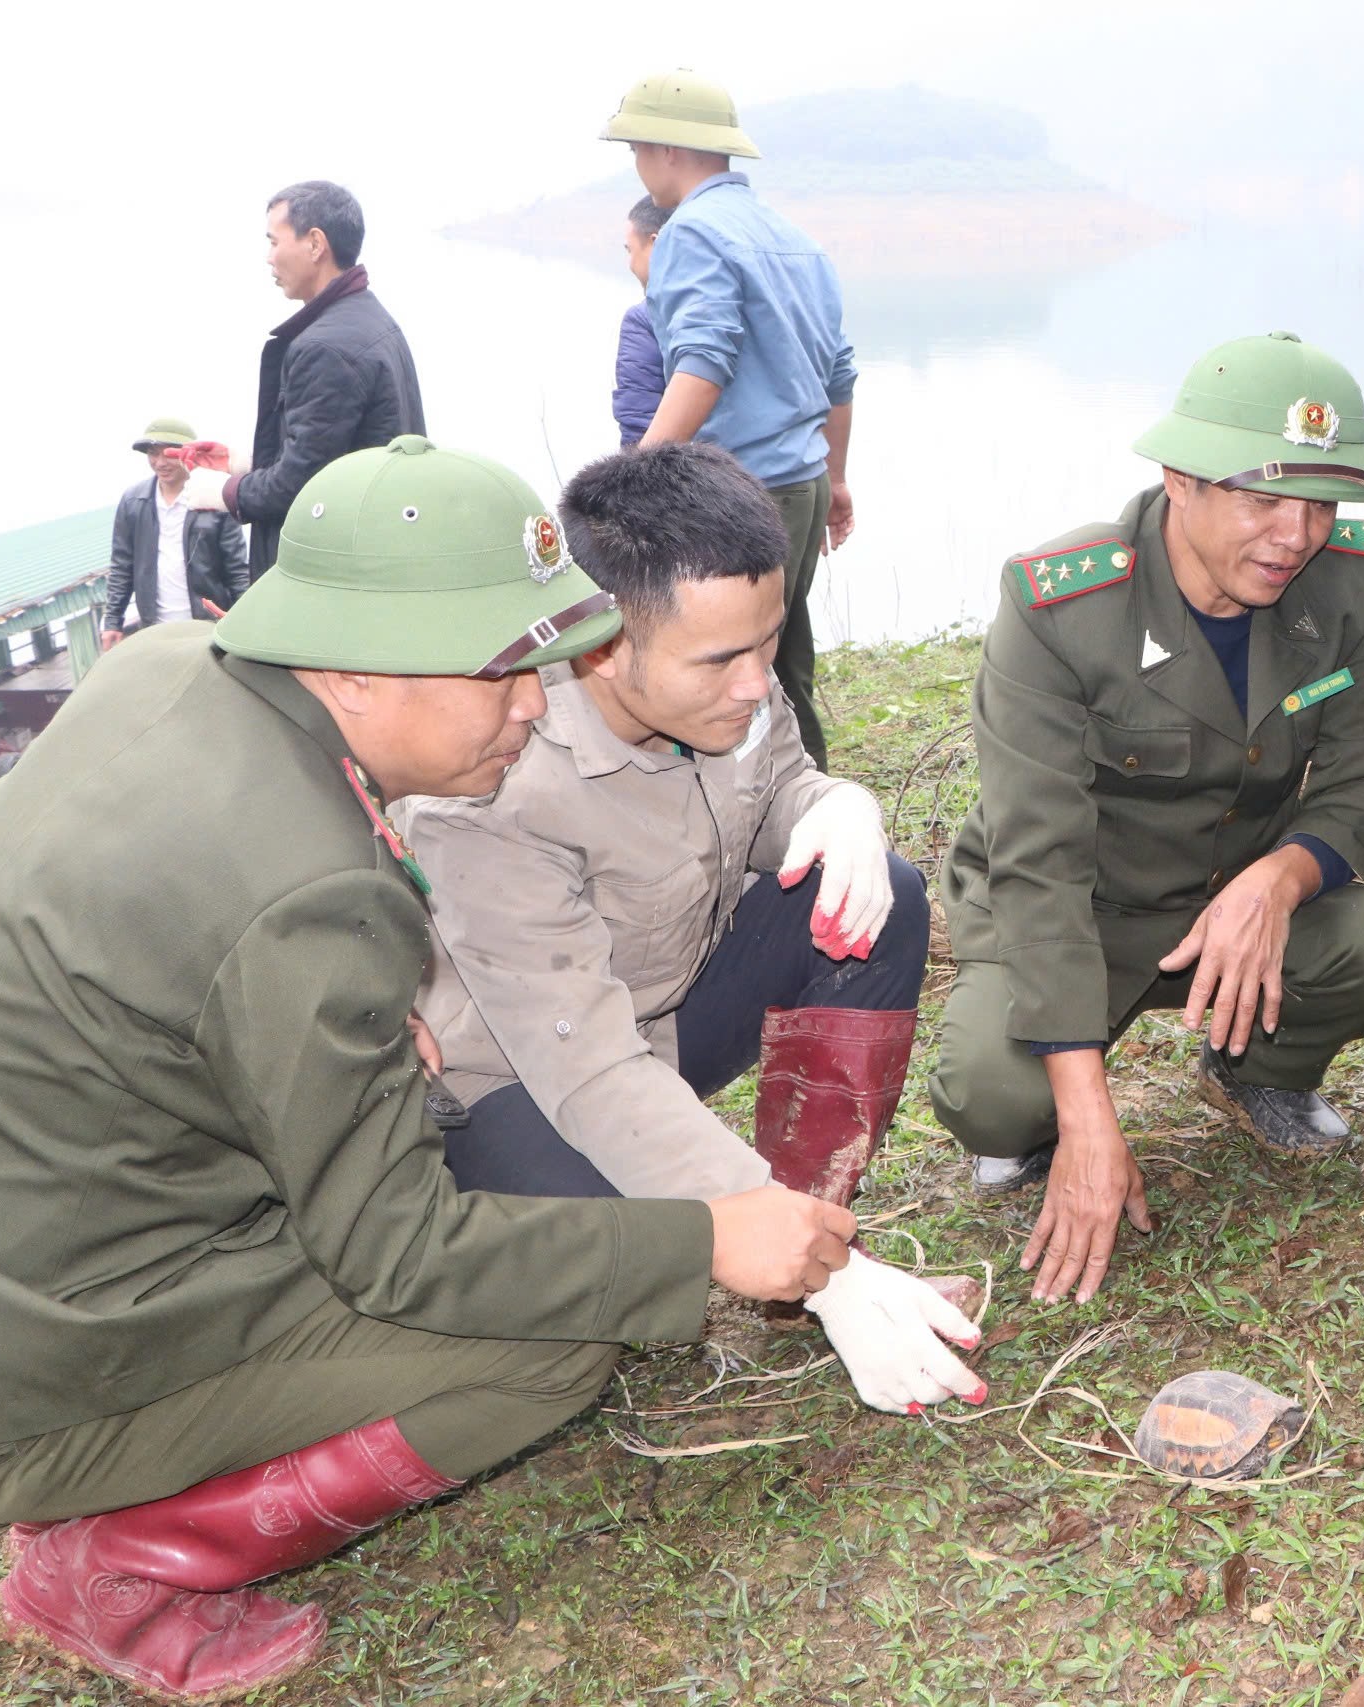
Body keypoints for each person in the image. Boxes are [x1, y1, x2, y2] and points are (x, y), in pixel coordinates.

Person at [0, 437, 859, 1702]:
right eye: (501, 673)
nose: (534, 704)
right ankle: (110, 1559)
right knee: (549, 1342)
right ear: (349, 669)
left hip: (51, 1217)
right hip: (53, 1350)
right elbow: (401, 1257)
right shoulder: (309, 902)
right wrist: (697, 1241)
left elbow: (172, 916)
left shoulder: (176, 665)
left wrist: (348, 994)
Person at [392, 443, 976, 1414]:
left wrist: (836, 806)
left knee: (882, 901)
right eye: (722, 660)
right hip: (522, 1087)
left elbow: (780, 788)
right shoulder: (498, 788)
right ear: (602, 648)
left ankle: (816, 1235)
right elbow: (586, 1069)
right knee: (607, 1291)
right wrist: (786, 1256)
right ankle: (798, 1261)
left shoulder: (726, 682)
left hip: (663, 1024)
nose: (756, 683)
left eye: (768, 644)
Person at [932, 332, 1364, 1306]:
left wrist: (1277, 878)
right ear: (1181, 480)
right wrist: (1087, 1122)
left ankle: (1254, 1068)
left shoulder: (1338, 586)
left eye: (1318, 505)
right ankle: (1047, 1112)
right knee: (995, 1100)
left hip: (1227, 909)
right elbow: (1036, 865)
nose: (1293, 536)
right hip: (1075, 909)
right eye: (1262, 500)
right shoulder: (1061, 610)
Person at [603, 69, 857, 767]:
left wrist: (638, 475)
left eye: (637, 148)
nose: (637, 163)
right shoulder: (792, 237)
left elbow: (702, 365)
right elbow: (839, 375)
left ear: (668, 150)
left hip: (742, 494)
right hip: (801, 483)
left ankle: (752, 823)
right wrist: (835, 478)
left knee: (725, 675)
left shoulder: (691, 232)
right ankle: (811, 802)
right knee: (783, 658)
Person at [178, 181, 425, 578]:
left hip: (338, 569)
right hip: (380, 546)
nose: (268, 258)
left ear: (315, 244)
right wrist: (243, 463)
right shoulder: (371, 319)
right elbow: (335, 449)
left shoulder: (325, 348)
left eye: (274, 242)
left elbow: (303, 483)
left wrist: (224, 494)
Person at [101, 417, 249, 648]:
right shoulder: (133, 502)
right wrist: (112, 621)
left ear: (189, 454)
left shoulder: (214, 498)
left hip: (207, 627)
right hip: (157, 630)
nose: (160, 462)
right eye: (152, 453)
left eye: (169, 453)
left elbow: (237, 569)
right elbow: (122, 565)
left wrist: (247, 620)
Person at [613, 197, 671, 446]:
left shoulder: (644, 319)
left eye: (630, 249)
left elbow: (638, 422)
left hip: (696, 478)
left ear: (655, 244)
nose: (630, 264)